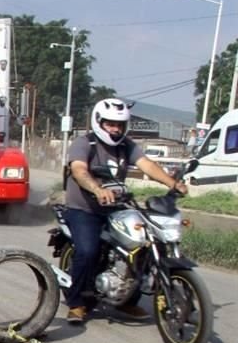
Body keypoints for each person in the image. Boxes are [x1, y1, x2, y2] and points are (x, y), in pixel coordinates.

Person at [63, 97, 188, 325]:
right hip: (84, 209)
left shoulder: (126, 146)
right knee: (88, 251)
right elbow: (79, 171)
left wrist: (172, 183)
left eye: (120, 124)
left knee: (142, 247)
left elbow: (147, 165)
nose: (115, 128)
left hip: (116, 207)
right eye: (110, 123)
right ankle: (76, 302)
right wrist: (96, 189)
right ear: (99, 122)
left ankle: (128, 300)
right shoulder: (84, 143)